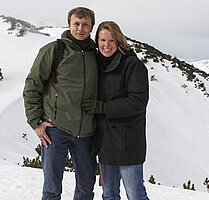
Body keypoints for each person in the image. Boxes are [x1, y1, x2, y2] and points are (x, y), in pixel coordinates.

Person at [23, 7, 98, 200]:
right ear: (69, 24)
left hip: (87, 132)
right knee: (52, 188)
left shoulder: (96, 56)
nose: (80, 28)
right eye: (76, 24)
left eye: (85, 24)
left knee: (86, 189)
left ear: (91, 27)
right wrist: (35, 122)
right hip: (56, 129)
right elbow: (33, 85)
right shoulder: (54, 50)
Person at [82, 21, 150, 200]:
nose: (106, 45)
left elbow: (138, 101)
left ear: (119, 41)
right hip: (106, 143)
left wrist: (103, 108)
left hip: (128, 143)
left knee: (136, 195)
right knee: (109, 194)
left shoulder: (133, 65)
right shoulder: (97, 64)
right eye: (103, 40)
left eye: (111, 41)